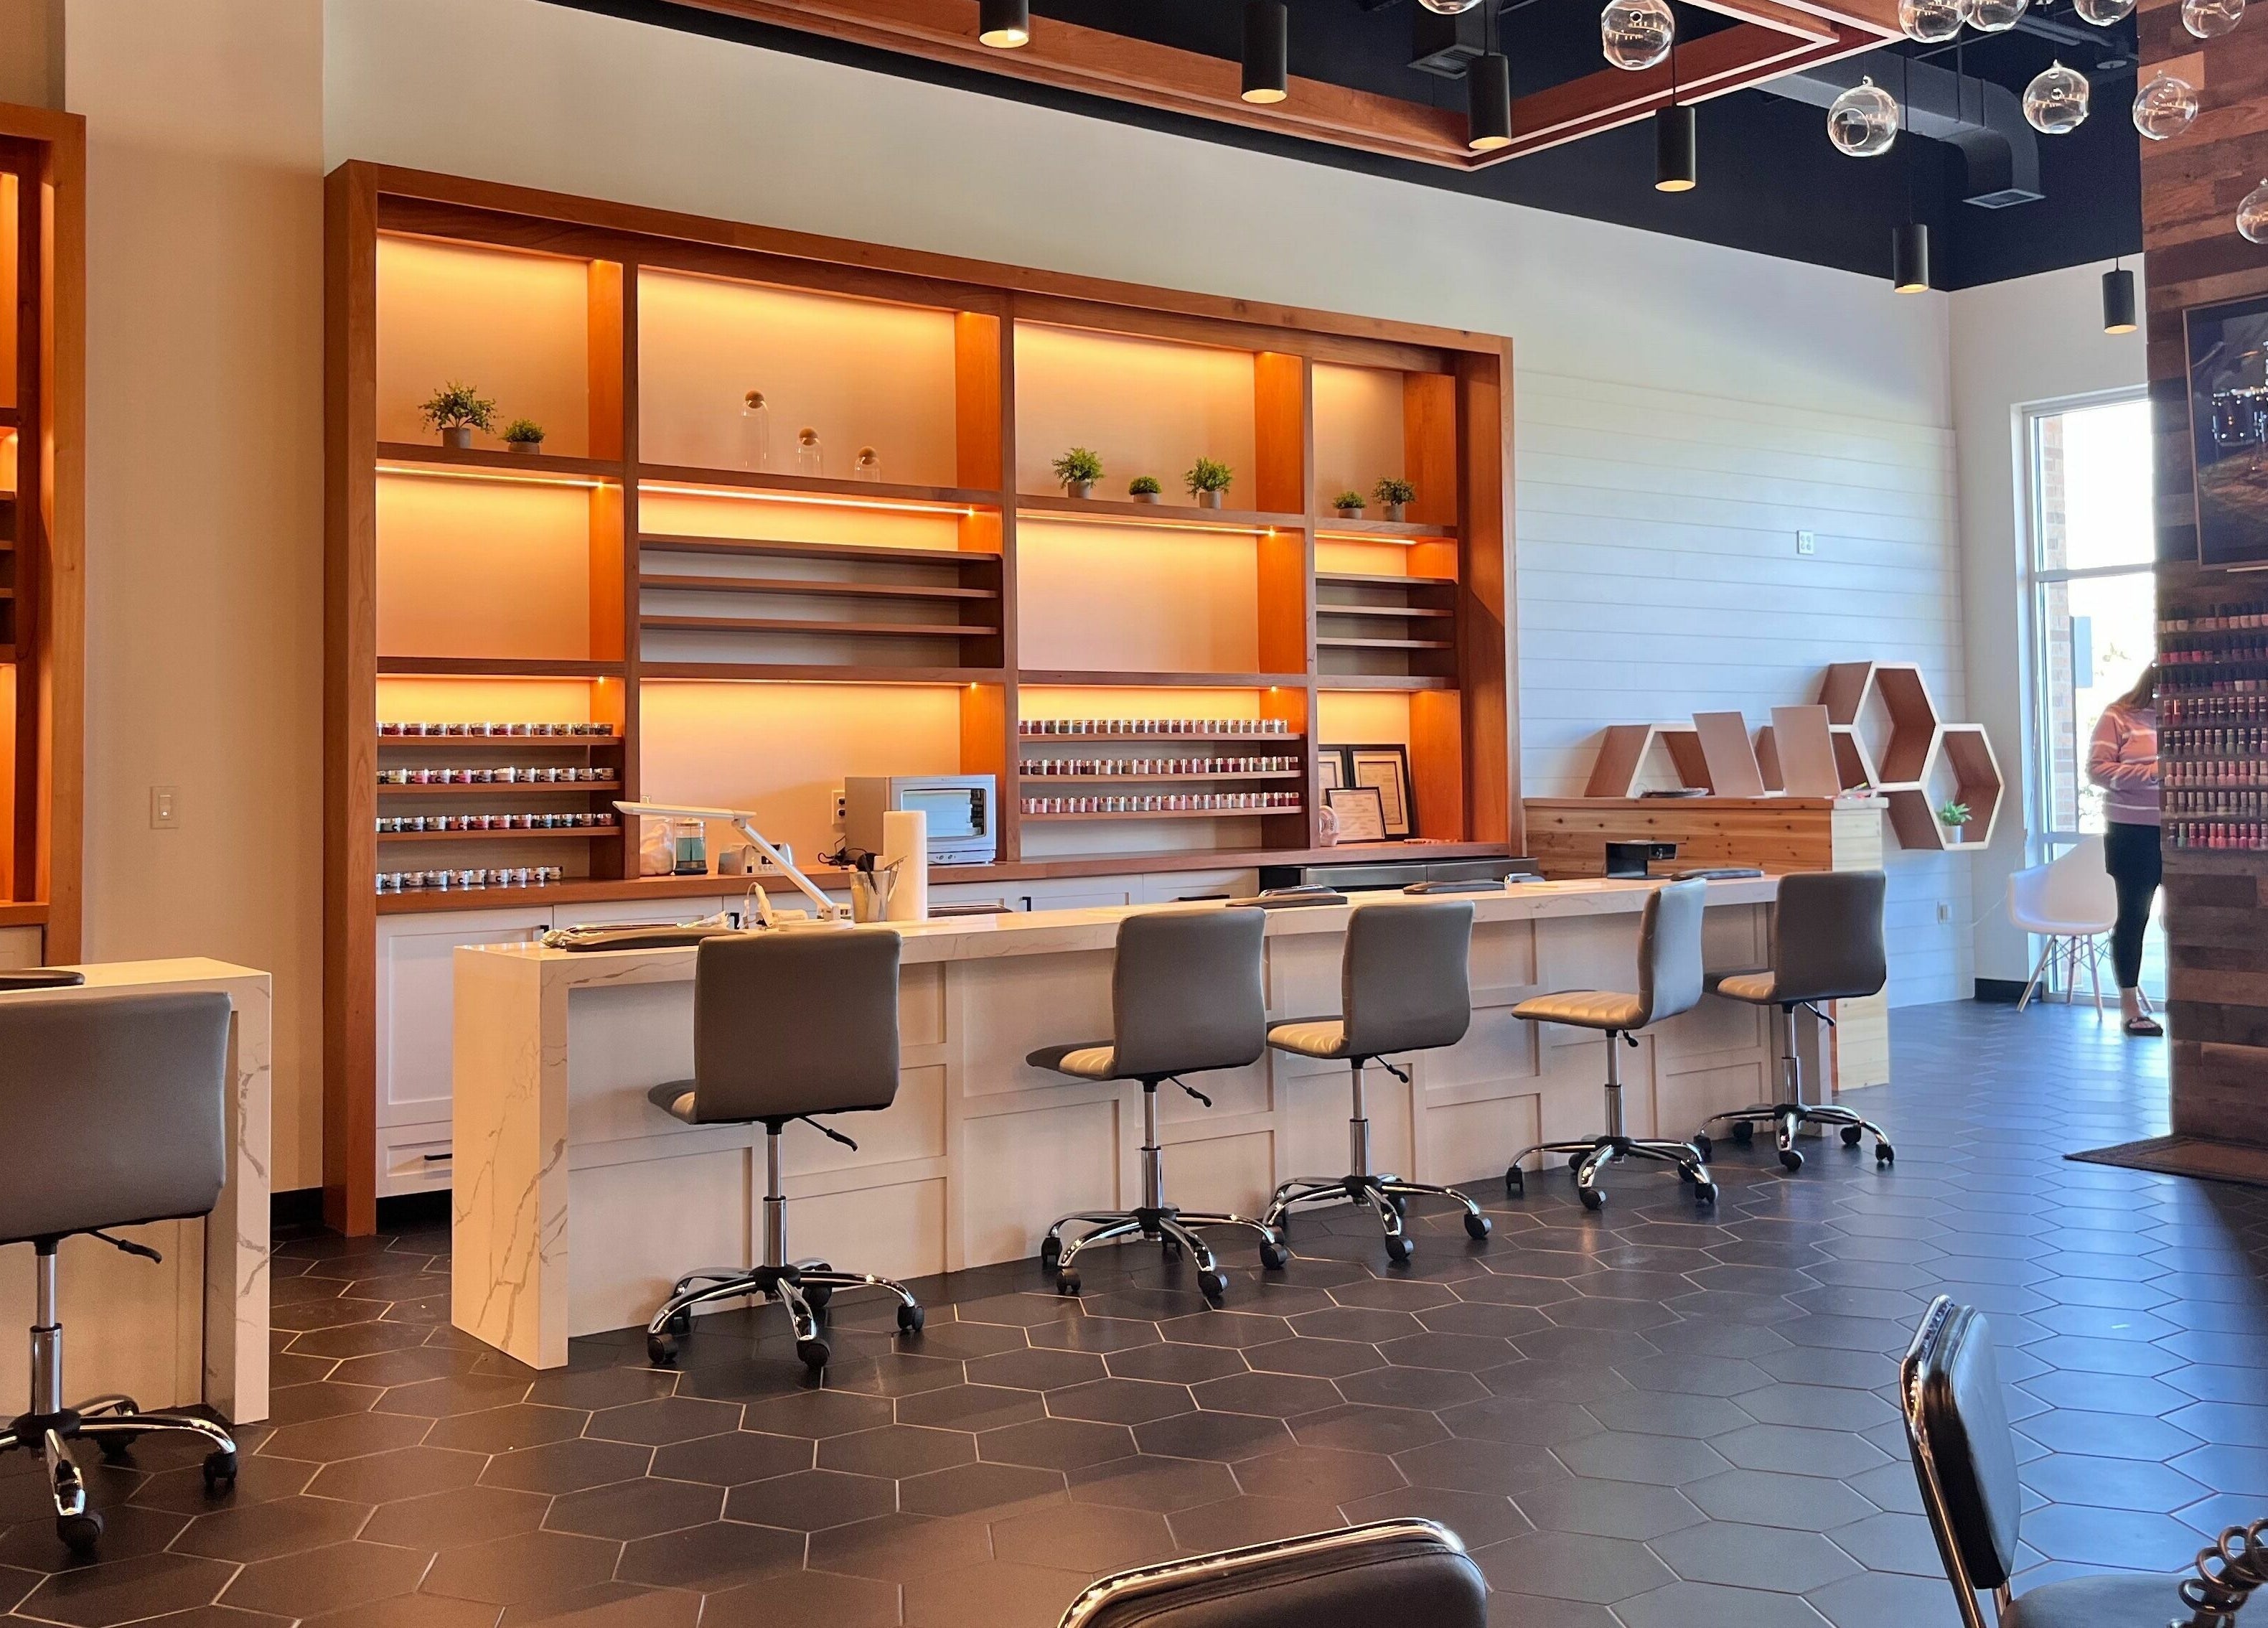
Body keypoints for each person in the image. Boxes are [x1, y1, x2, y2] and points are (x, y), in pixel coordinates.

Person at [2088, 663, 2162, 1037]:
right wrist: (2153, 772)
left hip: (2187, 831)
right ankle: (2130, 1008)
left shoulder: (2195, 718)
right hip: (2133, 832)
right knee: (2134, 918)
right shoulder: (2119, 716)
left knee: (2188, 920)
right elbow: (2097, 770)